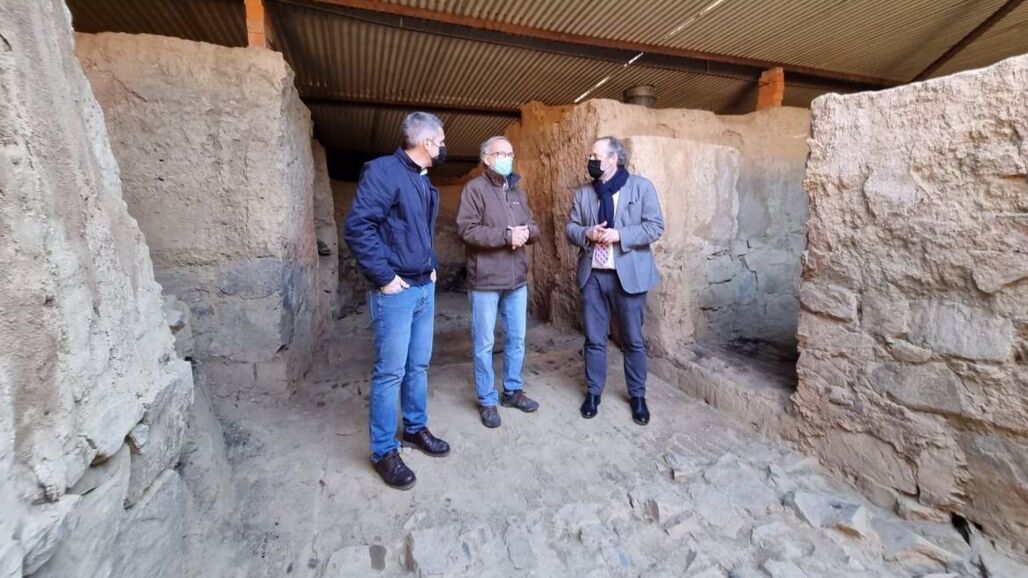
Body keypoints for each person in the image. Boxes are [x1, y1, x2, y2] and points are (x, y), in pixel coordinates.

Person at [344, 112, 451, 490]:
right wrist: (385, 277)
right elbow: (358, 228)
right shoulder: (384, 171)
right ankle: (383, 451)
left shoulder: (420, 178)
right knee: (390, 372)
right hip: (397, 291)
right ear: (427, 142)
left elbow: (417, 232)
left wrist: (431, 264)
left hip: (423, 286)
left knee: (417, 365)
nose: (443, 148)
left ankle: (415, 428)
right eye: (441, 142)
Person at [564, 136, 665, 425]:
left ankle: (637, 396)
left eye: (596, 156)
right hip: (593, 276)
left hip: (629, 276)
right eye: (590, 156)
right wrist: (587, 233)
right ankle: (593, 392)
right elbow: (570, 227)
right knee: (594, 339)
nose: (591, 161)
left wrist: (620, 235)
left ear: (613, 159)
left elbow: (655, 226)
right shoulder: (584, 193)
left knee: (632, 340)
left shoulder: (641, 187)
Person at [456, 136, 541, 428]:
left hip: (516, 279)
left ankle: (512, 391)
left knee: (517, 338)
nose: (507, 158)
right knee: (484, 342)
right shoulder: (474, 190)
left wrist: (527, 232)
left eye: (510, 153)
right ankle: (487, 399)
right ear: (487, 158)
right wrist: (506, 235)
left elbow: (533, 225)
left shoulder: (518, 192)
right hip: (486, 280)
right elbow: (466, 230)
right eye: (501, 153)